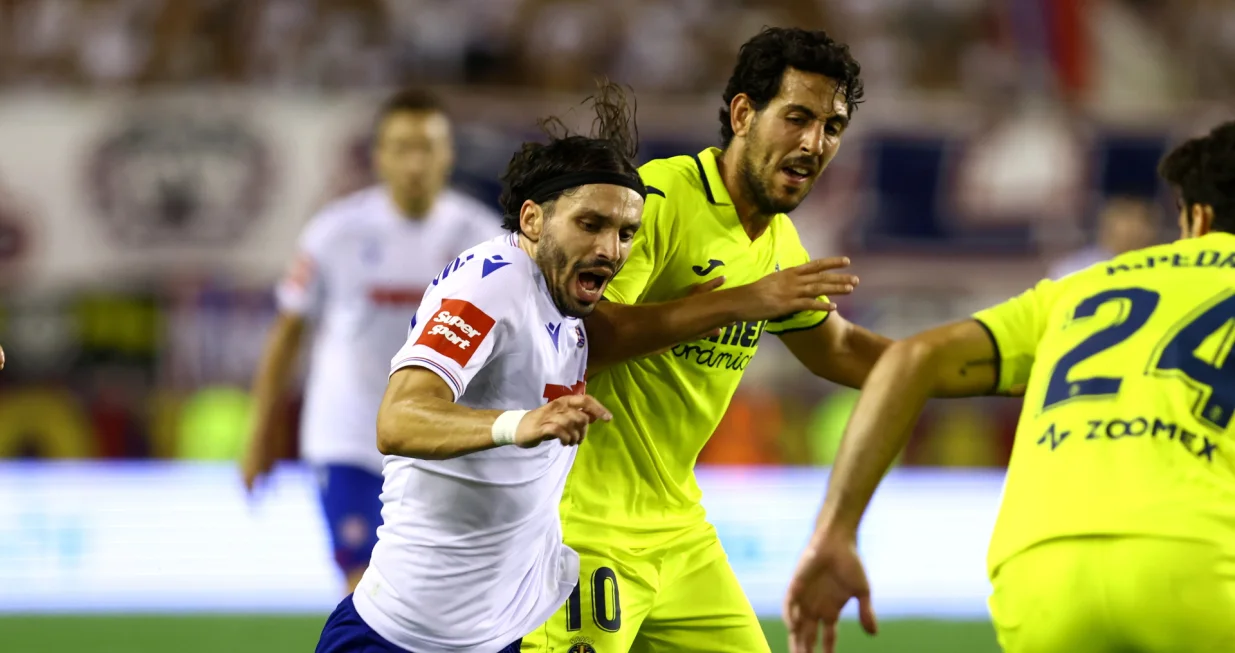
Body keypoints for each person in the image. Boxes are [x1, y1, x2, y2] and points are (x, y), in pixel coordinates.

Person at [316, 82, 860, 653]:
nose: (612, 248)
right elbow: (398, 419)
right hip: (399, 635)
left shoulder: (571, 306)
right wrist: (517, 425)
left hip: (498, 635)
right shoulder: (492, 283)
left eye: (626, 232)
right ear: (532, 220)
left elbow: (625, 333)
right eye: (590, 224)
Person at [783, 121, 1235, 653]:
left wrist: (836, 530)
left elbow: (913, 356)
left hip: (1037, 576)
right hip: (1199, 568)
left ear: (1197, 219)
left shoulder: (1083, 286)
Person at [524, 27, 897, 653]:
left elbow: (838, 349)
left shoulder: (777, 242)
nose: (813, 143)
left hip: (679, 531)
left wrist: (983, 365)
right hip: (583, 524)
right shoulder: (658, 199)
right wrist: (746, 301)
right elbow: (582, 333)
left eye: (832, 128)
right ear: (744, 113)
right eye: (798, 117)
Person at [241, 88, 504, 593]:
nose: (415, 162)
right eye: (402, 147)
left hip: (442, 441)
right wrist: (260, 433)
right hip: (349, 439)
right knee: (366, 590)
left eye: (428, 147)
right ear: (379, 156)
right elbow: (286, 333)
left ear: (448, 155)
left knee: (445, 595)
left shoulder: (484, 240)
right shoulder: (334, 232)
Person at [1049, 195, 1161, 279]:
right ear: (1107, 222)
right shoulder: (1074, 269)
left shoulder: (1159, 269)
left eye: (1143, 220)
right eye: (1127, 217)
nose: (1136, 228)